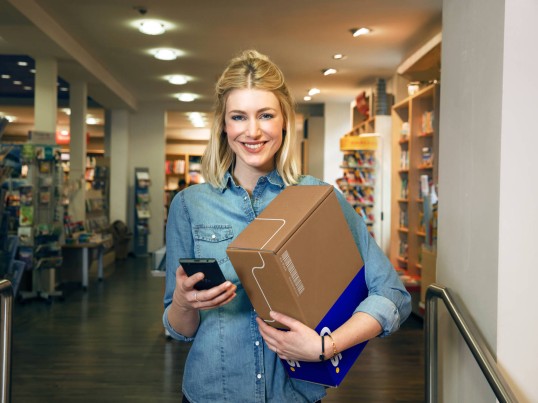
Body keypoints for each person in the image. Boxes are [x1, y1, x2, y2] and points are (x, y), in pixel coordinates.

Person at [163, 50, 412, 403]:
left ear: (284, 121)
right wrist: (184, 302)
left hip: (294, 395)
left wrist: (326, 346)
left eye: (266, 115)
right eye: (238, 117)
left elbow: (392, 295)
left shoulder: (319, 197)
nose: (253, 131)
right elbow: (180, 330)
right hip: (211, 394)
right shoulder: (189, 206)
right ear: (223, 124)